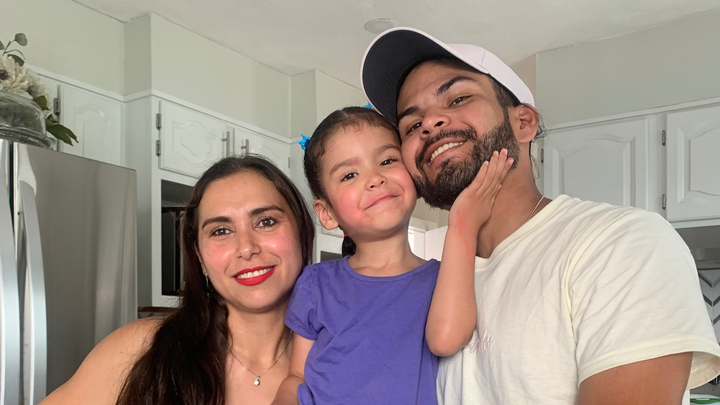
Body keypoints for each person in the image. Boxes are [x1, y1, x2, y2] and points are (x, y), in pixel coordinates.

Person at [360, 27, 720, 405]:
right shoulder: (431, 286)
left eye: (458, 98)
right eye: (411, 125)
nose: (430, 123)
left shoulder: (624, 243)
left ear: (524, 122)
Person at [272, 107, 512, 404]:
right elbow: (297, 376)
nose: (375, 178)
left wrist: (463, 224)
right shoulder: (315, 283)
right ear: (327, 213)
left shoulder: (446, 279)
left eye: (387, 161)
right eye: (349, 175)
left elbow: (447, 339)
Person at [40, 155, 315, 405]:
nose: (246, 248)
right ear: (199, 257)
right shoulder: (139, 349)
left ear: (302, 234)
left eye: (266, 222)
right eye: (221, 231)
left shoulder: (333, 363)